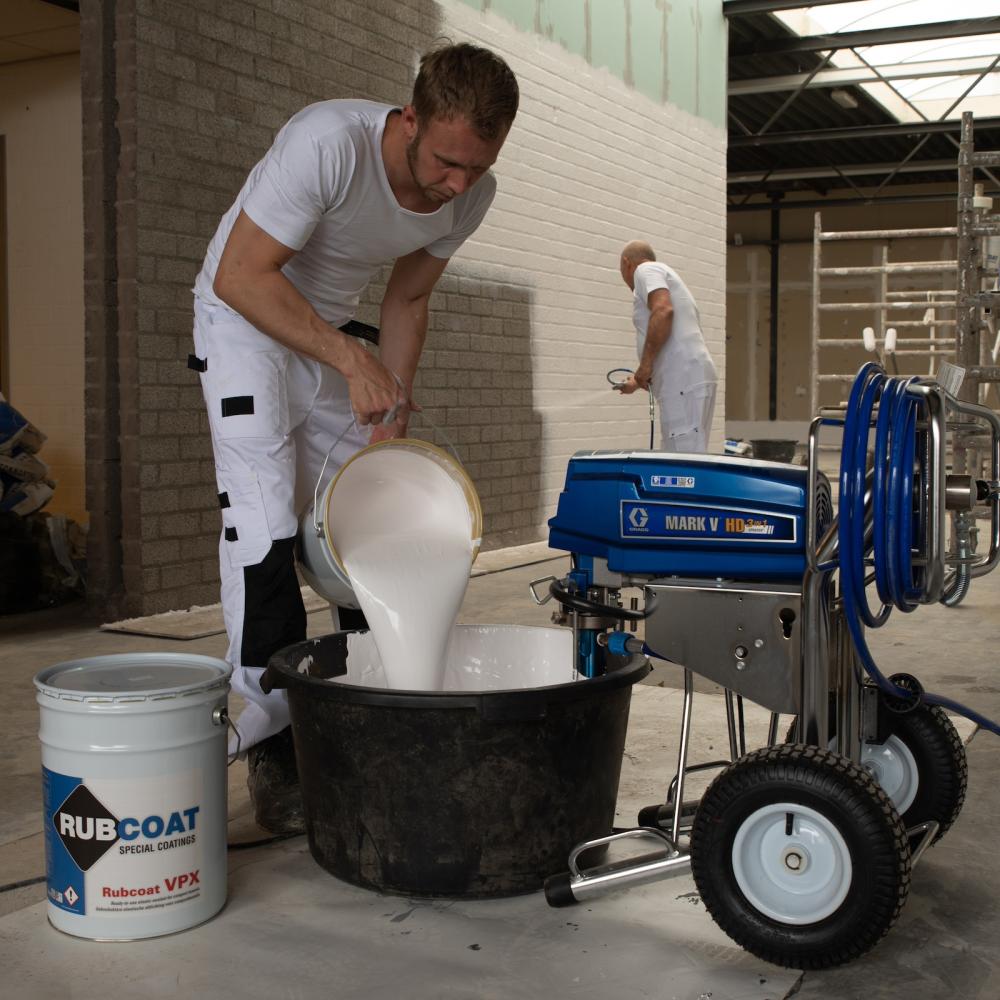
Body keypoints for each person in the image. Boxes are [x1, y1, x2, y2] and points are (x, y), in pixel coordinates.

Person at [190, 43, 519, 833]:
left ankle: (373, 700)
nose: (457, 185)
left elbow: (407, 300)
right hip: (243, 323)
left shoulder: (471, 193)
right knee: (265, 522)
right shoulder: (327, 144)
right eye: (445, 162)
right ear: (409, 120)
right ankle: (273, 738)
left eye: (477, 168)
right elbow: (242, 274)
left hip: (331, 332)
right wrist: (351, 359)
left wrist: (392, 413)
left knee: (374, 512)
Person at [615, 241, 717, 452]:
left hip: (683, 382)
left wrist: (645, 366)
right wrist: (637, 379)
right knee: (681, 456)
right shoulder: (664, 275)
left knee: (684, 464)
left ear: (626, 263)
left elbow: (663, 311)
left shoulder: (645, 270)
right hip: (686, 379)